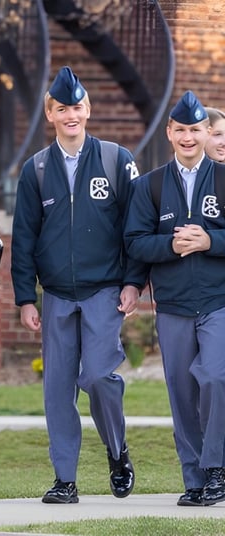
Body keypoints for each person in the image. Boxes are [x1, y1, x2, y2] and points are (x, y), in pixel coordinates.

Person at [11, 66, 145, 504]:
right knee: (58, 388)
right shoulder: (35, 169)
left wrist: (133, 282)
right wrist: (24, 297)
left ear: (88, 110)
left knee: (99, 377)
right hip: (56, 296)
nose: (71, 114)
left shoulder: (115, 160)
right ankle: (65, 479)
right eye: (61, 108)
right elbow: (25, 236)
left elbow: (135, 226)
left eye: (77, 107)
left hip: (105, 290)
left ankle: (117, 450)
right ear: (50, 113)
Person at [124, 91, 225, 507]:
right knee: (181, 391)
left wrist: (209, 240)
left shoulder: (223, 178)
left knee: (215, 377)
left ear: (207, 133)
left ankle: (217, 467)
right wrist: (172, 245)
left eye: (195, 129)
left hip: (218, 300)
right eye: (180, 129)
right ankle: (194, 479)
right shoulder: (149, 185)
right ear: (169, 133)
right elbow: (134, 243)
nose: (188, 137)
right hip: (172, 305)